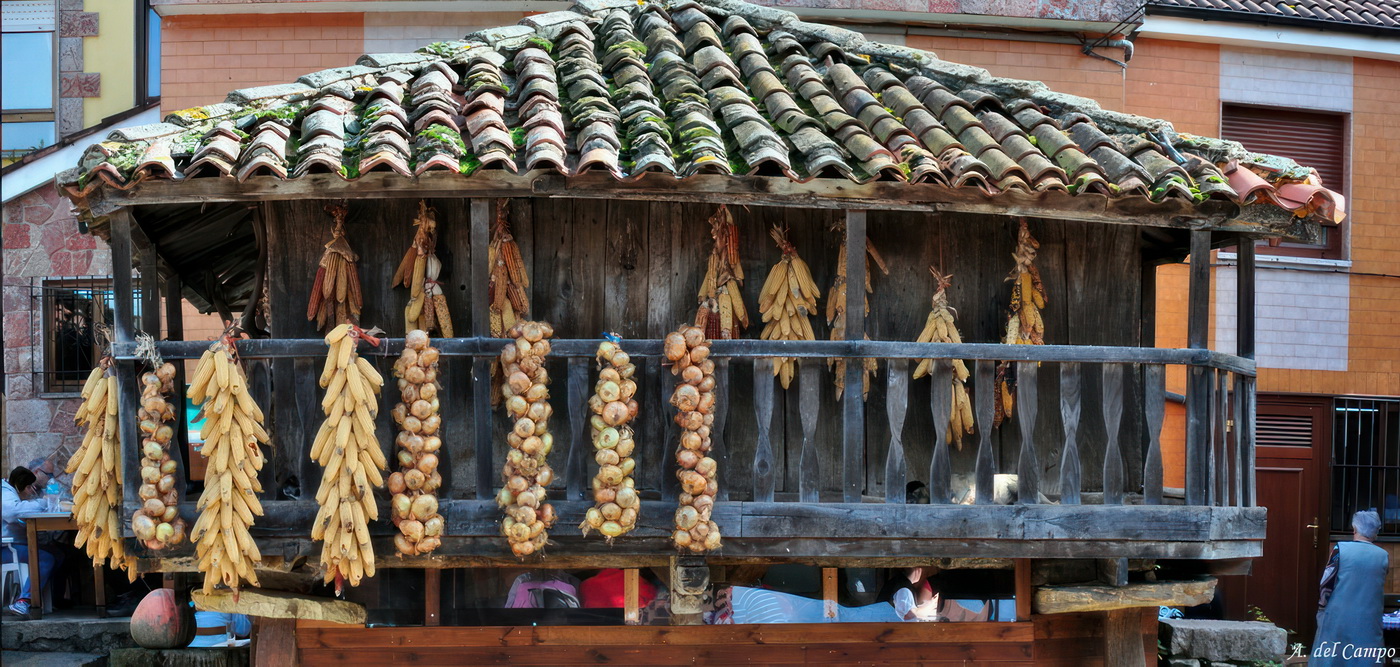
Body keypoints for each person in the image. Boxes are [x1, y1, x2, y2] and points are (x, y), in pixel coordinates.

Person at [1313, 510, 1388, 666]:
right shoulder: (1383, 556)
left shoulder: (1340, 549)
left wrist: (1322, 608)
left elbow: (1326, 583)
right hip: (1369, 619)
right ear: (1375, 532)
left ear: (1354, 528)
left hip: (1339, 616)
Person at [2, 466, 65, 618]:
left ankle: (52, 599)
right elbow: (12, 512)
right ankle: (24, 601)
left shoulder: (12, 492)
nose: (31, 491)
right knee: (45, 558)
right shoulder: (5, 492)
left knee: (59, 554)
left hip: (15, 545)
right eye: (28, 487)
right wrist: (43, 503)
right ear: (19, 485)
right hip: (6, 548)